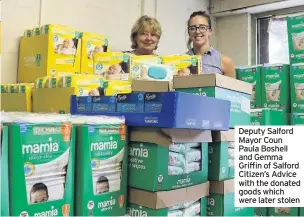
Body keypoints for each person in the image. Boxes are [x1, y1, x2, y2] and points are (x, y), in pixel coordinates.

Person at [88, 15, 162, 96]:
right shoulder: (122, 59)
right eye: (144, 34)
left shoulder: (162, 64)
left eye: (153, 35)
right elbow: (101, 82)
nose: (149, 38)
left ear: (158, 39)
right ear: (135, 37)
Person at [186, 11, 236, 78]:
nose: (197, 31)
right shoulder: (180, 61)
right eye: (192, 28)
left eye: (202, 27)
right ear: (189, 33)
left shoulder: (225, 62)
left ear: (209, 31)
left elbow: (231, 87)